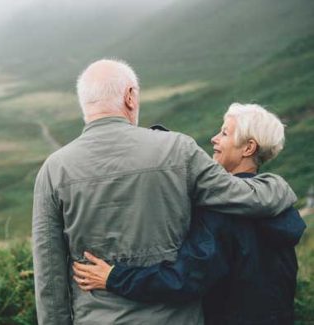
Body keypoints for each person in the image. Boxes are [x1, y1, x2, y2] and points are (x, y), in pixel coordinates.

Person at [32, 59, 297, 325]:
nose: (216, 139)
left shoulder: (53, 170)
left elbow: (49, 276)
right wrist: (278, 186)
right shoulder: (178, 150)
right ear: (130, 97)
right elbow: (243, 196)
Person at [71, 103, 306, 324]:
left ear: (248, 148)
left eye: (224, 133)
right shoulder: (279, 207)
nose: (214, 138)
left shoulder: (222, 212)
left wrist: (113, 277)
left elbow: (184, 280)